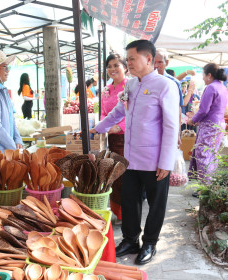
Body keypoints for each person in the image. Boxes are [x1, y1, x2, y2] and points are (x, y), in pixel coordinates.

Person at [90, 40, 179, 265]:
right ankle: (131, 240)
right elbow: (118, 112)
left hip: (155, 160)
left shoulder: (164, 85)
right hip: (130, 158)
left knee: (156, 203)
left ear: (148, 59)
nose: (128, 62)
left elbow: (171, 126)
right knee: (130, 201)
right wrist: (97, 128)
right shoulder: (131, 86)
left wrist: (166, 161)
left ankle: (150, 242)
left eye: (131, 58)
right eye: (127, 58)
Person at [187, 63, 228, 186]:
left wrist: (192, 120)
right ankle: (209, 184)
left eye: (203, 75)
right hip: (218, 124)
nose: (203, 78)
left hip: (209, 125)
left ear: (209, 75)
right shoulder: (222, 87)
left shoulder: (211, 87)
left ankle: (205, 186)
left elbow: (203, 110)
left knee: (203, 154)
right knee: (212, 154)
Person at [100, 53, 128, 223]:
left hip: (126, 138)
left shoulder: (130, 87)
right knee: (113, 176)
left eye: (116, 65)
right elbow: (104, 112)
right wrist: (103, 126)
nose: (112, 69)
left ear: (125, 67)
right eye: (109, 66)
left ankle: (127, 213)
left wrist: (120, 126)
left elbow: (135, 113)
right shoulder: (106, 89)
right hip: (110, 139)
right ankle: (117, 212)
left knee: (125, 176)